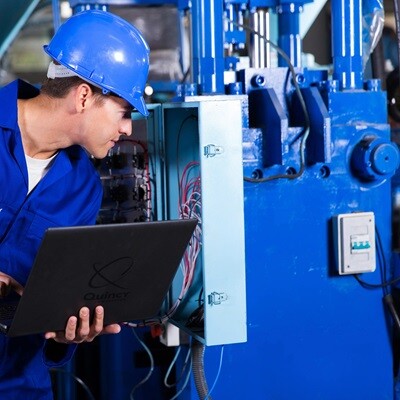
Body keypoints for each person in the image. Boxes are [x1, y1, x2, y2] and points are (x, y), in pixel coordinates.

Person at [0, 9, 149, 399]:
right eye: (124, 111)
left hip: (17, 385)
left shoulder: (84, 188)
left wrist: (71, 332)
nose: (127, 128)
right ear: (84, 95)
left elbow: (55, 303)